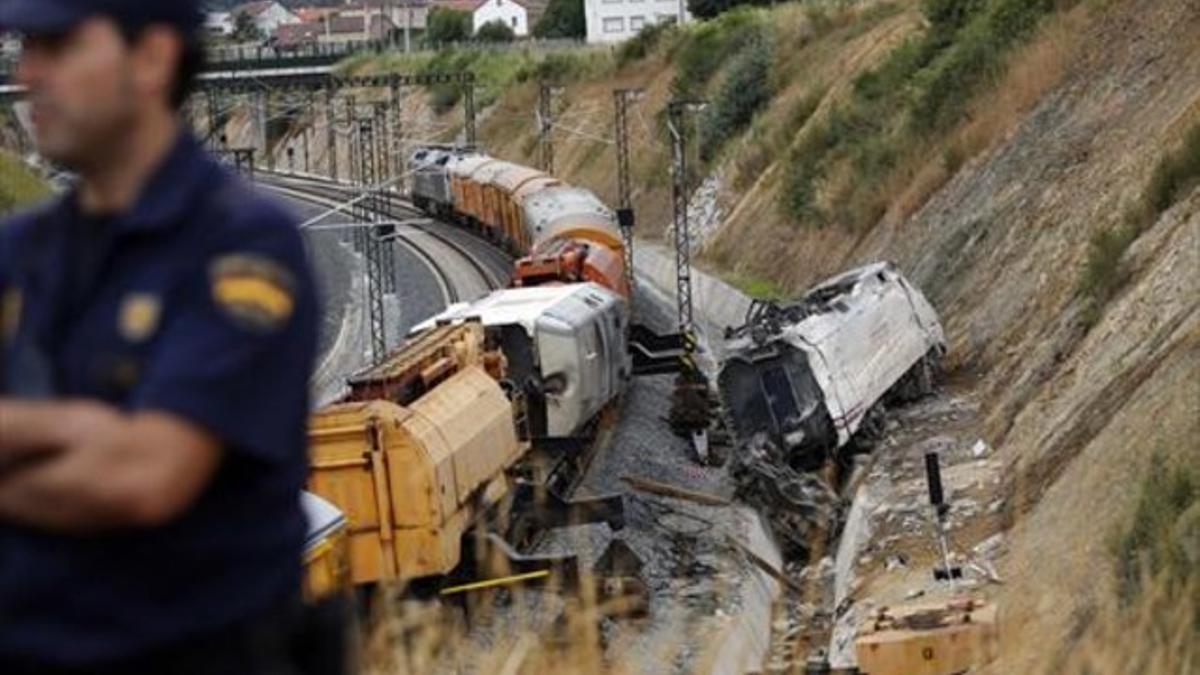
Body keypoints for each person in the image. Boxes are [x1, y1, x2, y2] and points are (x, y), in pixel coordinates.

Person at [0, 1, 339, 672]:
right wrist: (82, 429)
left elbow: (141, 476)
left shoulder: (240, 247)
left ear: (152, 58)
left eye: (59, 45)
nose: (28, 71)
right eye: (26, 45)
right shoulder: (20, 253)